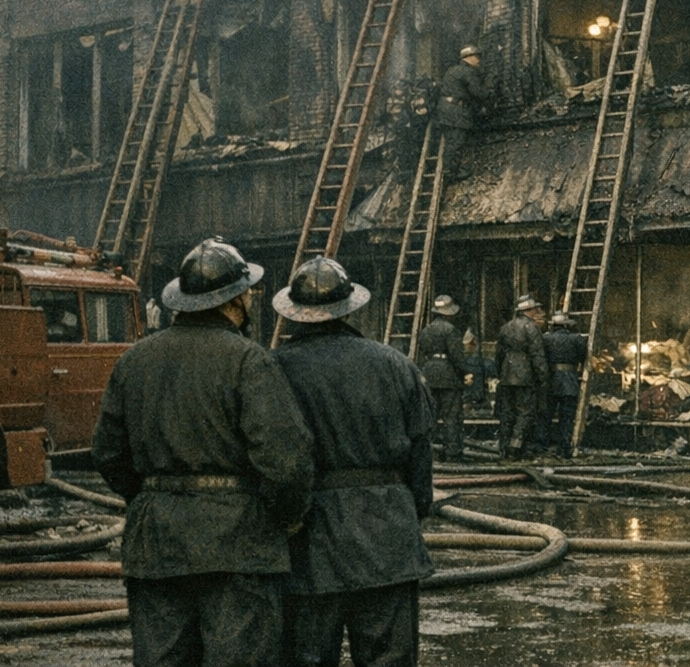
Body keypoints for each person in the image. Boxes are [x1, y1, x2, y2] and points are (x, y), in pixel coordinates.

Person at [91, 237, 313, 667]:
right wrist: (286, 518)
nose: (250, 299)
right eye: (248, 292)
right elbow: (285, 460)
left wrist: (152, 498)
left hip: (156, 543)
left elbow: (107, 453)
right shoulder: (249, 361)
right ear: (233, 302)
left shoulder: (133, 361)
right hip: (238, 544)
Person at [270, 257, 434, 667]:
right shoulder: (396, 365)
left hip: (308, 540)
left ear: (295, 312)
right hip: (388, 536)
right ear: (351, 308)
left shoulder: (273, 369)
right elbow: (421, 457)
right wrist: (409, 514)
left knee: (306, 655)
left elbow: (269, 457)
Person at [416, 294, 472, 462]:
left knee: (429, 416)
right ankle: (453, 454)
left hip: (428, 372)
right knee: (451, 417)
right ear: (449, 313)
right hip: (447, 375)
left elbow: (422, 351)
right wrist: (465, 373)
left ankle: (427, 453)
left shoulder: (425, 330)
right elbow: (457, 356)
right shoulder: (451, 330)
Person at [494, 294, 548, 460]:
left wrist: (501, 374)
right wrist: (543, 376)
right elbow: (537, 354)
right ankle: (515, 447)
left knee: (507, 412)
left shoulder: (506, 327)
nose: (537, 311)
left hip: (507, 374)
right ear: (528, 311)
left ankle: (503, 447)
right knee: (524, 413)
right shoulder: (532, 328)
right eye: (534, 309)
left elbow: (499, 355)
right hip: (525, 376)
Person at [540, 310, 589, 458]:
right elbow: (583, 356)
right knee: (567, 417)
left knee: (546, 415)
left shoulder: (545, 339)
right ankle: (563, 448)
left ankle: (542, 446)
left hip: (550, 380)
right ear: (566, 325)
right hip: (569, 380)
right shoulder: (577, 339)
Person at [432, 44, 488, 161]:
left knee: (452, 142)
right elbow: (479, 93)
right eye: (476, 56)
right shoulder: (468, 72)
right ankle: (452, 174)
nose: (479, 60)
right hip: (457, 112)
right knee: (456, 143)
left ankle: (451, 172)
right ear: (468, 58)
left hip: (445, 110)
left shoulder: (452, 70)